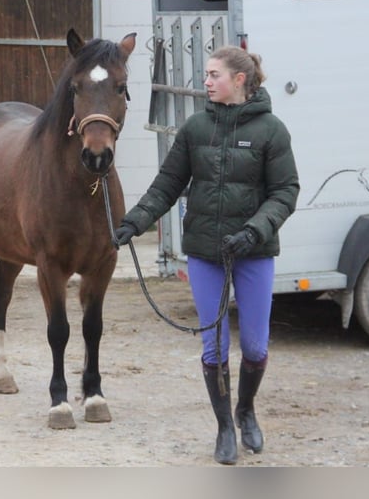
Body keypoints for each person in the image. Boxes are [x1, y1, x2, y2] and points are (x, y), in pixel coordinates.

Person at [115, 45, 300, 465]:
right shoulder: (195, 128)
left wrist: (254, 231)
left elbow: (285, 192)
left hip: (253, 252)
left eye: (214, 74)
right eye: (206, 74)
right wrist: (135, 222)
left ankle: (246, 409)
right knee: (213, 346)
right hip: (204, 251)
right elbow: (167, 184)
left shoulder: (272, 130)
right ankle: (223, 428)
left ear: (239, 79)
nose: (206, 81)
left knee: (254, 345)